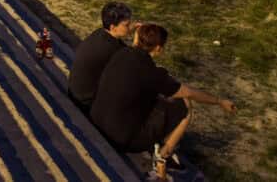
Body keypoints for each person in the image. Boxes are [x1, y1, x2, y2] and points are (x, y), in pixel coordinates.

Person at [91, 24, 236, 180]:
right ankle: (162, 157)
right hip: (121, 139)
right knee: (185, 105)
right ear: (159, 48)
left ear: (137, 39)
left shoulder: (122, 53)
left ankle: (160, 146)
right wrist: (219, 101)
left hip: (97, 120)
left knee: (157, 100)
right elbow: (190, 92)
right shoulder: (153, 73)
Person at [68, 2, 135, 114]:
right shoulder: (111, 49)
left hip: (76, 93)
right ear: (113, 27)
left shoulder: (100, 33)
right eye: (127, 25)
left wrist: (128, 31)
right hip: (86, 103)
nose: (130, 27)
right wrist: (138, 42)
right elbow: (135, 63)